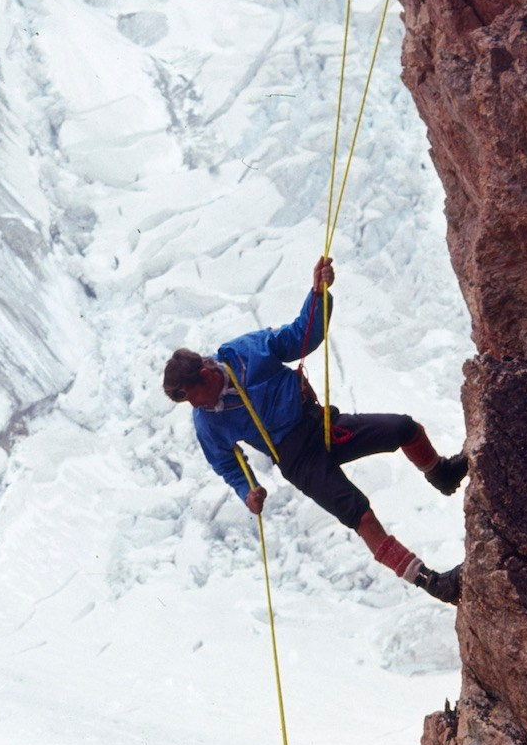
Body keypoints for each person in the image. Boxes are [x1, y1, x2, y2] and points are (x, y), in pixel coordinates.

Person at [162, 257, 466, 605]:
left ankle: (441, 474)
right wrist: (248, 490)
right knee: (360, 514)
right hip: (298, 459)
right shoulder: (207, 421)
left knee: (404, 428)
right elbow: (227, 463)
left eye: (192, 398)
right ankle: (433, 583)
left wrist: (318, 294)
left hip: (321, 425)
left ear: (204, 374)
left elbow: (299, 337)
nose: (195, 407)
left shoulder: (243, 353)